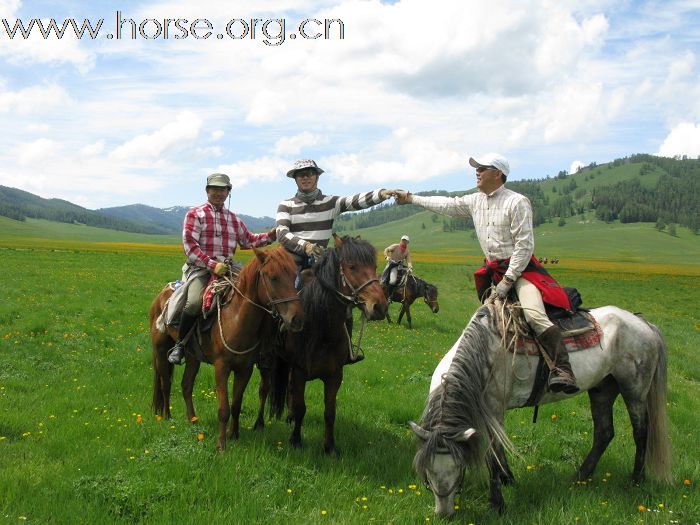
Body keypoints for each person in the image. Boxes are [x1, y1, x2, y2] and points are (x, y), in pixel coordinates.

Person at [395, 153, 578, 393]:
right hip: (493, 273)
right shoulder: (475, 201)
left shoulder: (517, 202)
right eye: (476, 168)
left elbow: (525, 246)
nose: (477, 171)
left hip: (520, 271)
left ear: (498, 173)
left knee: (533, 315)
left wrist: (509, 279)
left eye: (482, 168)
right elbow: (446, 205)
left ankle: (563, 370)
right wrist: (410, 198)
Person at [276, 159, 398, 363]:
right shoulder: (286, 205)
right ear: (295, 179)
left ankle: (347, 349)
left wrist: (382, 194)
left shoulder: (331, 202)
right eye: (301, 174)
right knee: (286, 297)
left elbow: (355, 201)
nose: (305, 177)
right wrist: (304, 246)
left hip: (322, 264)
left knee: (344, 300)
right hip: (294, 261)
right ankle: (274, 345)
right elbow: (281, 233)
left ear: (317, 176)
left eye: (309, 173)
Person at [167, 172, 276, 365]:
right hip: (200, 269)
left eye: (222, 189)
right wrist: (211, 264)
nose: (218, 193)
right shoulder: (195, 214)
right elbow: (190, 247)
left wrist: (272, 235)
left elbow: (249, 241)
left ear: (228, 192)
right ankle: (180, 345)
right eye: (214, 189)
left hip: (229, 268)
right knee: (193, 302)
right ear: (207, 191)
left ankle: (262, 349)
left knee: (259, 297)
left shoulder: (234, 219)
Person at [382, 234, 413, 299]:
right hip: (391, 264)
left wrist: (410, 267)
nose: (404, 242)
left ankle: (394, 295)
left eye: (406, 241)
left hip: (400, 266)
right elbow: (386, 249)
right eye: (403, 240)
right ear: (401, 240)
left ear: (408, 242)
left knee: (405, 279)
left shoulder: (407, 251)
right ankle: (387, 295)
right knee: (388, 280)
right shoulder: (395, 246)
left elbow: (409, 260)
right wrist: (386, 256)